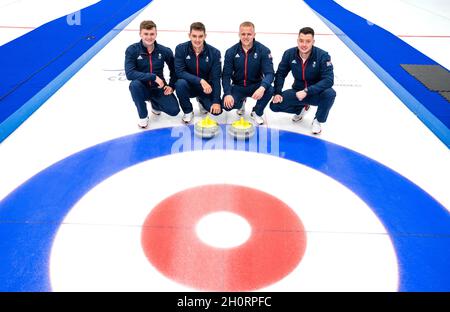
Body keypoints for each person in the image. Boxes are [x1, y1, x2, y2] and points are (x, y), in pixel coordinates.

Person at [270, 27, 336, 134]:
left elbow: (329, 80)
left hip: (315, 93)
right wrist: (277, 92)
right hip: (297, 92)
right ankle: (301, 108)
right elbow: (280, 74)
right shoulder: (289, 54)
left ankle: (317, 120)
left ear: (313, 42)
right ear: (297, 41)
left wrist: (307, 91)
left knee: (330, 93)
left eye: (308, 41)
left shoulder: (323, 56)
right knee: (274, 105)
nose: (304, 45)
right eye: (301, 41)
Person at [125, 20, 180, 129]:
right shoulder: (132, 50)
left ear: (156, 34)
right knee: (134, 85)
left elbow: (175, 70)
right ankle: (143, 116)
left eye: (152, 34)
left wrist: (171, 86)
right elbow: (130, 74)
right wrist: (153, 77)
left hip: (159, 88)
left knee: (174, 111)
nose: (149, 37)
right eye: (146, 34)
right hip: (142, 88)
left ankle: (155, 104)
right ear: (140, 34)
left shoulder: (164, 51)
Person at [222, 21, 274, 125]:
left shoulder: (263, 50)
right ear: (239, 34)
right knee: (226, 106)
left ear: (254, 35)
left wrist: (262, 87)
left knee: (270, 89)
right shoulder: (231, 52)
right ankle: (241, 102)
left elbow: (270, 73)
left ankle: (257, 112)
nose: (246, 37)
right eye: (243, 34)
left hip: (256, 85)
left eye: (249, 34)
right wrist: (227, 94)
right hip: (238, 86)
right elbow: (226, 75)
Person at [174, 22, 222, 123]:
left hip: (206, 89)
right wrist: (200, 80)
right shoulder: (180, 49)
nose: (197, 40)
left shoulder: (214, 53)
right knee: (180, 83)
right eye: (194, 36)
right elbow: (179, 72)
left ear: (205, 36)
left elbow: (216, 78)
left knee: (217, 111)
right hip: (188, 86)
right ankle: (188, 111)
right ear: (189, 36)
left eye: (200, 36)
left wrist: (216, 101)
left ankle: (201, 100)